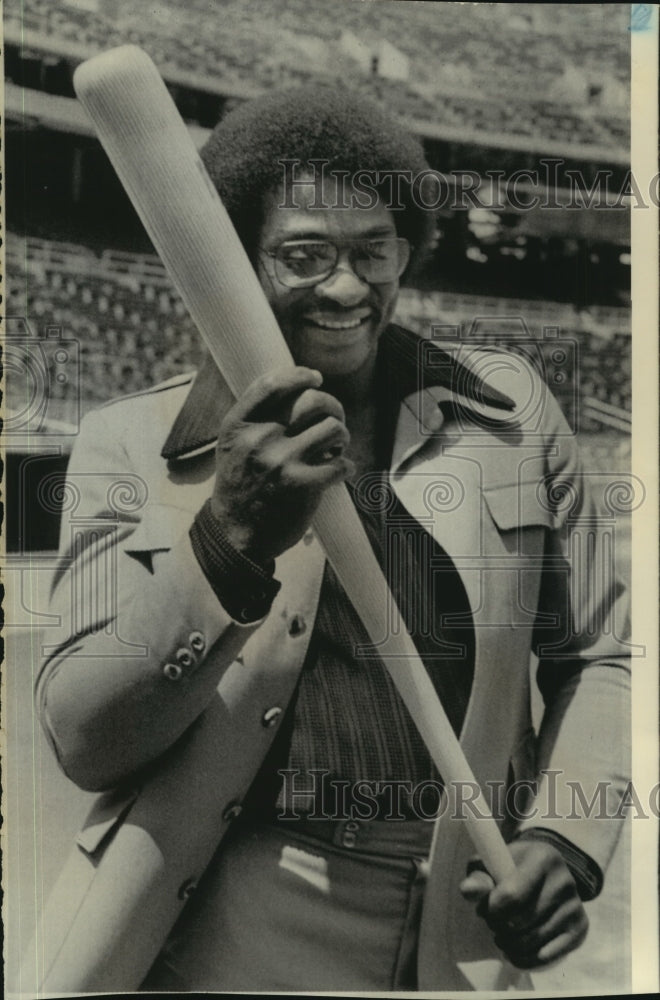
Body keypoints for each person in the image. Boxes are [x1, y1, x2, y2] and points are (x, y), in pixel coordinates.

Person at [37, 85, 630, 992]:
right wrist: (227, 536)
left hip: (463, 924)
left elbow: (599, 655)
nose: (348, 286)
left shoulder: (512, 415)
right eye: (303, 254)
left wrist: (564, 834)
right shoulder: (129, 444)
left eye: (373, 250)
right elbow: (86, 740)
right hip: (230, 919)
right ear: (240, 259)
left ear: (409, 249)